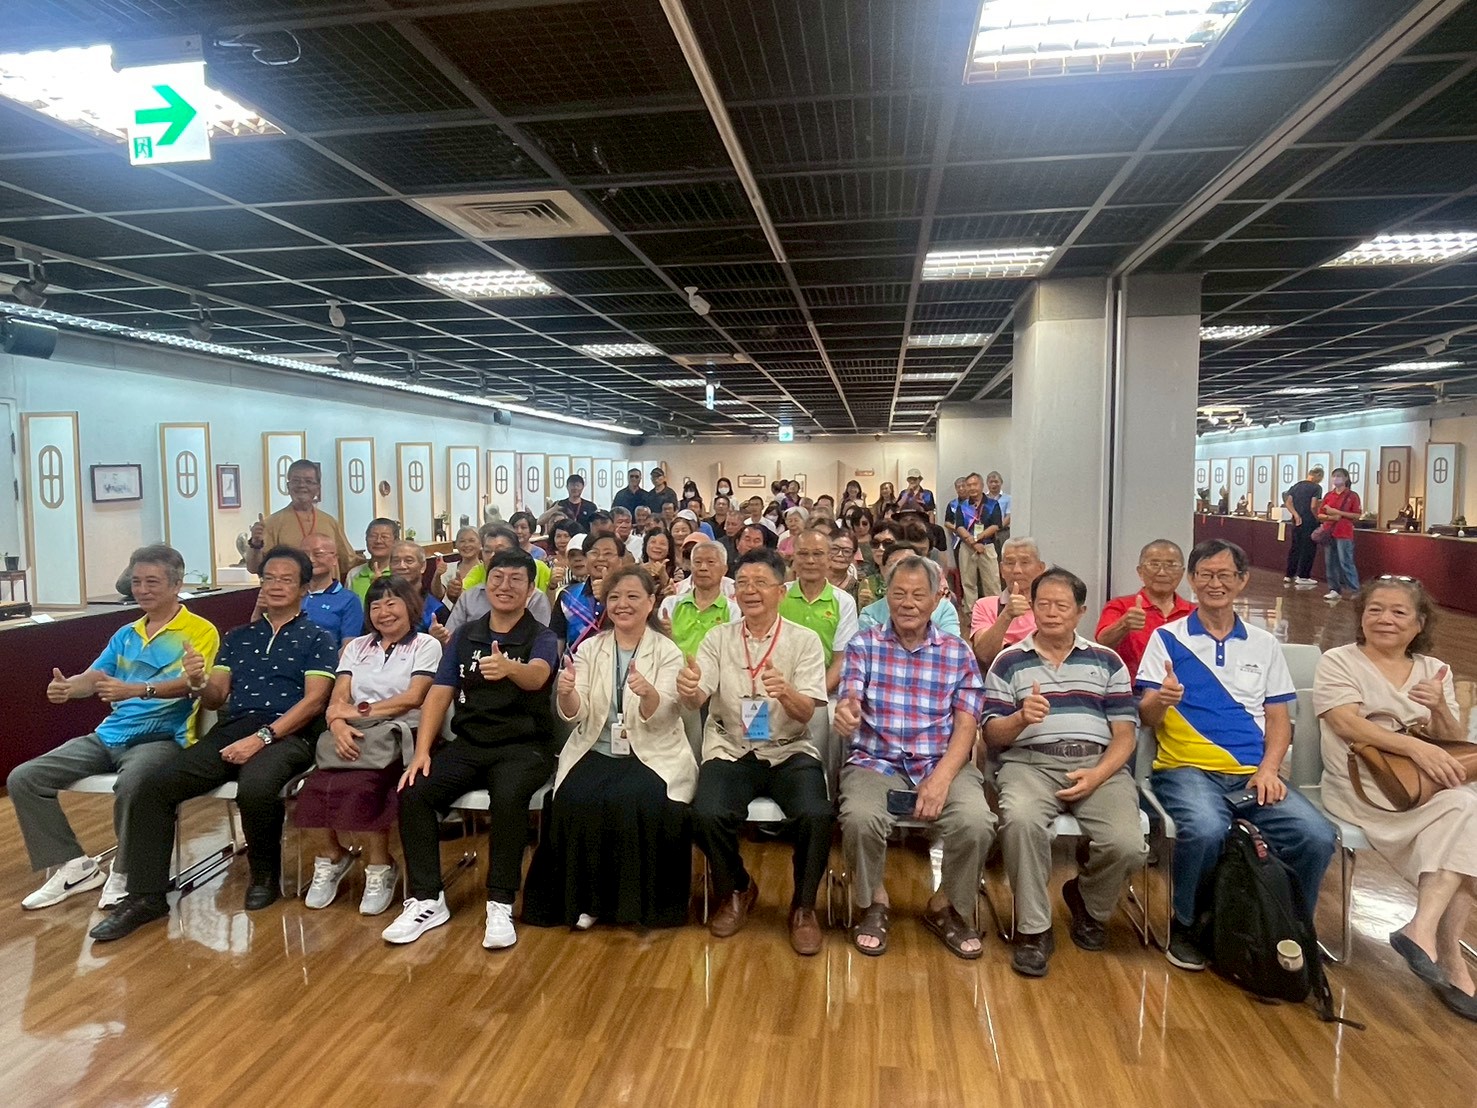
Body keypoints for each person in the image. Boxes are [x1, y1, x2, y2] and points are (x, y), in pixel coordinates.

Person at [92, 547, 337, 941]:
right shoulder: (238, 637)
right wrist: (197, 681)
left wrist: (262, 738)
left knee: (256, 786)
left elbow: (313, 702)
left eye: (286, 579)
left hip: (291, 732)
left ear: (304, 588)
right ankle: (145, 896)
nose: (275, 586)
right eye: (269, 578)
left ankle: (263, 877)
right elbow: (215, 698)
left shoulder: (318, 638)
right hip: (234, 727)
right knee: (154, 787)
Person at [1136, 538, 1337, 971]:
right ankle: (1188, 924)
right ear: (1192, 581)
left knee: (1316, 835)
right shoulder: (1167, 639)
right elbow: (1146, 717)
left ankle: (1289, 926)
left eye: (1225, 575)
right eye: (1206, 575)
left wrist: (1270, 769)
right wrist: (1161, 700)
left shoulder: (1264, 644)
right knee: (1206, 829)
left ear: (1242, 581)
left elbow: (1279, 719)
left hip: (1253, 773)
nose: (1215, 583)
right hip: (1186, 770)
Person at [9, 545, 219, 912]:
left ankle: (125, 872)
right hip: (110, 734)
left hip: (164, 737)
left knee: (134, 783)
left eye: (152, 582)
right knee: (25, 778)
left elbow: (193, 683)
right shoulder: (126, 634)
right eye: (136, 582)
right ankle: (74, 866)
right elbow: (95, 677)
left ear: (176, 585)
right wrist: (68, 687)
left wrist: (136, 690)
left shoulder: (200, 631)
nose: (142, 590)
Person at [1313, 576, 1477, 1021]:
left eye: (1398, 612)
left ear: (1419, 623)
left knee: (1466, 811)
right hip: (1361, 789)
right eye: (1375, 610)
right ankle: (1448, 953)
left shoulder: (1433, 669)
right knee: (1467, 815)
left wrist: (1438, 707)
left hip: (1422, 789)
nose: (1385, 619)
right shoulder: (1339, 661)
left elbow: (1453, 740)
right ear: (1361, 617)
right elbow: (1346, 724)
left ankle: (1423, 930)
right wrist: (1414, 747)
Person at [380, 549, 558, 949]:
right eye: (498, 578)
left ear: (531, 589)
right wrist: (422, 751)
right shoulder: (465, 634)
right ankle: (427, 899)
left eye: (516, 579)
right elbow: (440, 693)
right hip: (471, 742)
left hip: (524, 746)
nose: (505, 586)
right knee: (414, 791)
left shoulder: (541, 636)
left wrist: (510, 668)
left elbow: (538, 676)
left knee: (509, 797)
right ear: (485, 584)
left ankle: (500, 902)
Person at [982, 568, 1146, 977]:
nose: (1051, 613)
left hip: (1098, 765)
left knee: (1127, 844)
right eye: (1043, 604)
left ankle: (1088, 900)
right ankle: (1034, 930)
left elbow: (1125, 736)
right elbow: (992, 735)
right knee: (1020, 822)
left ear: (1081, 612)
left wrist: (1098, 774)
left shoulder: (1107, 661)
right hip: (1029, 764)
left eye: (1062, 605)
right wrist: (1020, 718)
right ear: (1032, 609)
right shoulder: (1009, 661)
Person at [834, 554, 992, 960]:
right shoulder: (863, 646)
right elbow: (850, 698)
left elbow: (967, 726)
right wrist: (847, 713)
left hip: (941, 761)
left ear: (937, 599)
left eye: (918, 595)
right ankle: (874, 901)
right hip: (876, 760)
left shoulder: (957, 652)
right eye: (899, 593)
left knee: (976, 821)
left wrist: (941, 778)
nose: (908, 603)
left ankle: (946, 905)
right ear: (886, 596)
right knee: (859, 818)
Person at [523, 567, 696, 931]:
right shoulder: (590, 647)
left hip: (652, 751)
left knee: (636, 798)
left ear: (650, 603)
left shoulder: (667, 651)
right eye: (615, 597)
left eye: (633, 596)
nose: (623, 604)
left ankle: (630, 905)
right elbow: (577, 712)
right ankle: (586, 901)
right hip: (595, 747)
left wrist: (649, 694)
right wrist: (567, 693)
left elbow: (668, 712)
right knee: (572, 796)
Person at [679, 549, 831, 955]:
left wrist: (787, 692)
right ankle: (737, 889)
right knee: (705, 813)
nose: (750, 591)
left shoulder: (804, 641)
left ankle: (803, 907)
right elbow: (697, 697)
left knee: (816, 815)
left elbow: (806, 712)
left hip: (789, 748)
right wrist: (688, 689)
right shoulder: (719, 638)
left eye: (761, 583)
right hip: (731, 746)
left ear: (781, 591)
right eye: (743, 583)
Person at [294, 577, 441, 916]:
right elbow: (338, 698)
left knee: (366, 784)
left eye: (391, 603)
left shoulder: (426, 645)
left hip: (404, 734)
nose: (383, 612)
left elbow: (413, 698)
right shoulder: (356, 647)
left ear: (410, 606)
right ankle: (332, 856)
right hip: (355, 731)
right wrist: (338, 725)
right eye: (375, 606)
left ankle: (381, 865)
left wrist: (358, 712)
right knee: (313, 787)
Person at [1094, 539, 1194, 681]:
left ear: (1182, 572)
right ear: (1140, 571)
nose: (1162, 572)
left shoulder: (1194, 612)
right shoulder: (1120, 606)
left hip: (1184, 689)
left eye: (1171, 565)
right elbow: (1102, 643)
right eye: (1154, 564)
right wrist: (1124, 624)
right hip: (1132, 689)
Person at [247, 459, 359, 580]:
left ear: (318, 488)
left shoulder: (330, 522)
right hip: (290, 590)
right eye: (296, 481)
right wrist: (256, 544)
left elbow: (348, 562)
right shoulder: (272, 523)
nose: (302, 485)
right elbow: (255, 568)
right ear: (288, 486)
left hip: (326, 589)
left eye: (308, 481)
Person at [779, 527, 860, 694]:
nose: (810, 560)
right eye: (803, 554)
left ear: (829, 558)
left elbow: (840, 660)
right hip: (777, 689)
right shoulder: (778, 595)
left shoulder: (844, 602)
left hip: (824, 694)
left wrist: (815, 696)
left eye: (817, 554)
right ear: (793, 558)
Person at [445, 524, 553, 633]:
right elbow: (451, 635)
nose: (492, 556)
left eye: (499, 551)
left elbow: (541, 637)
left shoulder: (534, 598)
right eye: (487, 551)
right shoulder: (470, 597)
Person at [970, 537, 1046, 669]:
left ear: (1040, 568)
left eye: (1025, 562)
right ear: (1001, 570)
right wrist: (1006, 615)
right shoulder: (984, 605)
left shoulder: (1050, 606)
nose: (1017, 570)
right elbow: (984, 655)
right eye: (1010, 563)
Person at [857, 542, 960, 636]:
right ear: (883, 571)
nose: (908, 604)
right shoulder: (870, 614)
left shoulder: (944, 609)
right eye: (893, 565)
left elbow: (951, 644)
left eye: (909, 564)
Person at [660, 540, 740, 658]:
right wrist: (664, 635)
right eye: (697, 562)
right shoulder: (671, 604)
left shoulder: (733, 609)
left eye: (710, 562)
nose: (703, 568)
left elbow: (731, 652)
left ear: (724, 569)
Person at [552, 533, 622, 652]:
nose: (600, 558)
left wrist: (610, 596)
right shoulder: (567, 596)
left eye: (608, 553)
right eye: (594, 553)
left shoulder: (633, 596)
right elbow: (557, 643)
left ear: (620, 561)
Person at [300, 532, 364, 648]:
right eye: (304, 555)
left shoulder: (349, 600)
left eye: (318, 554)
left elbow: (349, 647)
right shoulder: (292, 595)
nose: (311, 559)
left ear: (334, 559)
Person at [950, 472, 1003, 609]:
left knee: (992, 582)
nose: (972, 488)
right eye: (969, 485)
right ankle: (971, 612)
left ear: (981, 485)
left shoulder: (992, 504)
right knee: (968, 582)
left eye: (975, 484)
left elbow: (996, 525)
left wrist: (980, 537)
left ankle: (993, 611)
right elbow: (959, 526)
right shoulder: (962, 506)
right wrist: (973, 542)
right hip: (967, 546)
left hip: (987, 546)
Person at [389, 541, 450, 642]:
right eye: (396, 561)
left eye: (409, 561)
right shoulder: (380, 604)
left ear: (423, 567)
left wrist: (435, 640)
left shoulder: (436, 609)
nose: (402, 566)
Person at [1317, 467, 1362, 600]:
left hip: (1344, 533)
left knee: (1346, 562)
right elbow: (1320, 514)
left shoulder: (1352, 496)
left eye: (1339, 476)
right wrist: (1330, 517)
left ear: (1346, 478)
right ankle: (1334, 589)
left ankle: (1355, 590)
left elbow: (1356, 515)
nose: (1336, 479)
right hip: (1329, 531)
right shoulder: (1328, 495)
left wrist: (1337, 513)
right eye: (1334, 476)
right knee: (1330, 562)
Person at [1283, 465, 1325, 587]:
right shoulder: (1316, 488)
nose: (1320, 481)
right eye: (1321, 478)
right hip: (1309, 521)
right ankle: (1303, 576)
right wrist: (1318, 518)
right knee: (1308, 548)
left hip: (1297, 522)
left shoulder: (1296, 486)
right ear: (1318, 475)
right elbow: (1313, 506)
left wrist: (1296, 515)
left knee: (1295, 548)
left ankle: (1289, 574)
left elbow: (1288, 502)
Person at [345, 518, 398, 601]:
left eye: (384, 537)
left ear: (396, 541)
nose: (378, 541)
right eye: (373, 536)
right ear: (366, 539)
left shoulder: (400, 572)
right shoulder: (354, 574)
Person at [432, 526, 482, 603]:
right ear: (456, 545)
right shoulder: (447, 568)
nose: (466, 545)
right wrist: (437, 575)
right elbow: (439, 595)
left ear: (481, 543)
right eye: (462, 541)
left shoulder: (485, 569)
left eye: (471, 541)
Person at [547, 519, 583, 593]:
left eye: (566, 536)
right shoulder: (547, 562)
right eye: (558, 536)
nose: (562, 540)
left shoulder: (582, 562)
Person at [826, 530, 860, 601]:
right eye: (835, 549)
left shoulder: (858, 589)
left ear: (853, 555)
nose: (840, 554)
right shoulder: (813, 581)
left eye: (846, 551)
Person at [640, 526, 675, 596]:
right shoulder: (636, 569)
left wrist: (663, 574)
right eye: (653, 542)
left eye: (662, 544)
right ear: (646, 545)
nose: (657, 546)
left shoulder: (676, 572)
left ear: (669, 549)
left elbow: (675, 596)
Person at [986, 471, 1012, 555]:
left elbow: (1009, 516)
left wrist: (996, 528)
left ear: (1001, 483)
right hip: (986, 533)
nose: (993, 484)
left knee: (1003, 555)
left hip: (1003, 532)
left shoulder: (1008, 498)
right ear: (987, 483)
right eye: (991, 482)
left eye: (996, 482)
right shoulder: (983, 499)